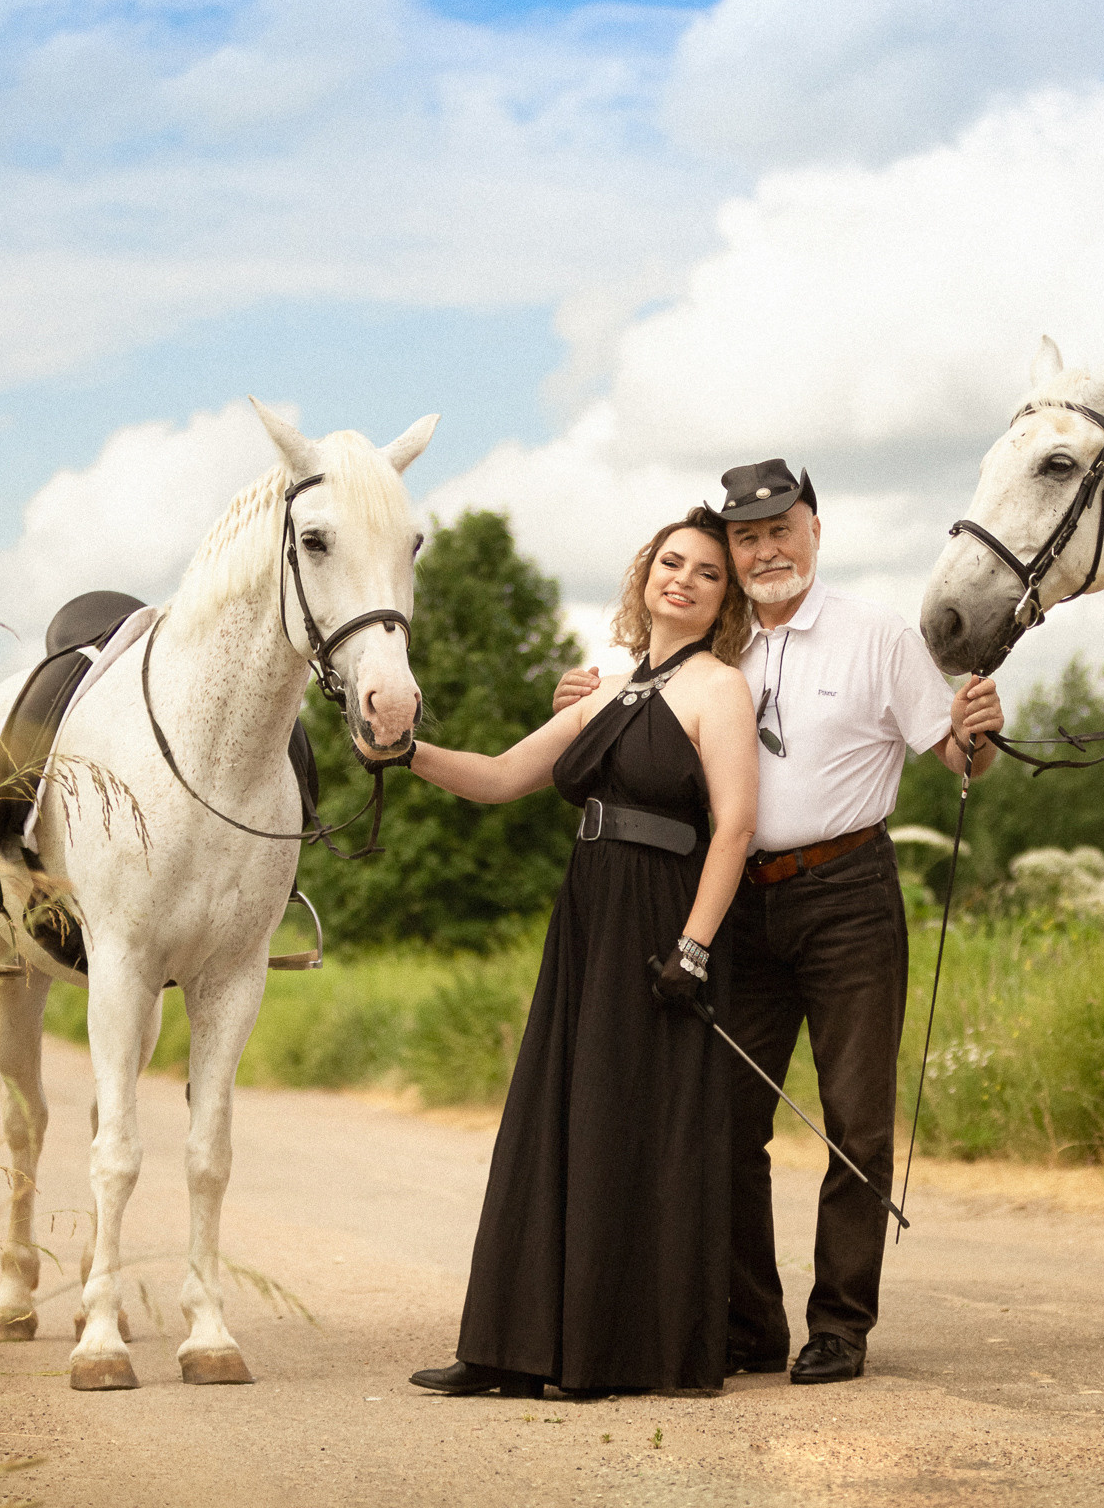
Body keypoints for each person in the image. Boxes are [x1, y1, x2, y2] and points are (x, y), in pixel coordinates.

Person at [555, 460, 1003, 1387]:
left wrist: (981, 731)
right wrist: (581, 706)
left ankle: (840, 1324)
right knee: (720, 1119)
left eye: (780, 530)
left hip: (846, 896)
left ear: (814, 531)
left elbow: (956, 754)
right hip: (735, 905)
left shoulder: (878, 635)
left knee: (857, 1123)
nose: (765, 550)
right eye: (747, 537)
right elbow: (629, 728)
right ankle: (750, 1325)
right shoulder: (706, 646)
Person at [407, 509, 758, 1398]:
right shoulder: (610, 689)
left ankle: (603, 1353)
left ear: (723, 601)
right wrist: (401, 752)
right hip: (588, 918)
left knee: (626, 1125)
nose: (682, 578)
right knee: (554, 1117)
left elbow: (736, 828)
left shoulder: (720, 688)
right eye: (670, 562)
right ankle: (511, 1346)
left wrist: (694, 947)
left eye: (706, 573)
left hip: (660, 920)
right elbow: (496, 777)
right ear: (646, 575)